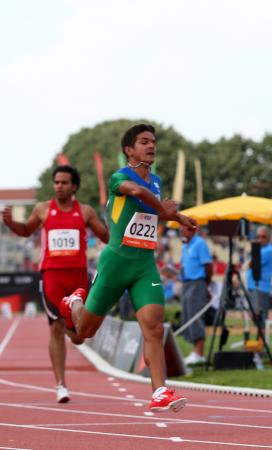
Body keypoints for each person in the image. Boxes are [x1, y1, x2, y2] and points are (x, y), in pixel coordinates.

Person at [59, 123, 197, 413]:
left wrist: (180, 219)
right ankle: (75, 302)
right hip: (116, 262)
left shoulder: (156, 181)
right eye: (144, 141)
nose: (151, 146)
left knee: (154, 327)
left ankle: (159, 390)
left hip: (144, 265)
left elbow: (153, 212)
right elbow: (137, 192)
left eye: (153, 141)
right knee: (84, 332)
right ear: (128, 149)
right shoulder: (119, 177)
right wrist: (164, 209)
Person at [2, 165, 109, 403]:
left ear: (74, 187)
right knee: (55, 328)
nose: (59, 186)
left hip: (78, 278)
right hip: (52, 276)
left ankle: (74, 325)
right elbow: (25, 231)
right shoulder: (42, 209)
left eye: (64, 182)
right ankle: (61, 385)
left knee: (79, 336)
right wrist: (11, 223)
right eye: (56, 182)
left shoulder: (85, 212)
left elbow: (106, 237)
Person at [179, 224, 212, 365]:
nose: (181, 230)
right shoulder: (184, 246)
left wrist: (205, 284)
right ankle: (195, 350)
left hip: (197, 282)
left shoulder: (200, 243)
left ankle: (199, 352)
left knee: (195, 315)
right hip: (186, 283)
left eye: (184, 228)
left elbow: (208, 266)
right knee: (187, 315)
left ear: (192, 229)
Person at [246, 226, 272, 322]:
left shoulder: (268, 250)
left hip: (260, 288)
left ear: (269, 238)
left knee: (259, 317)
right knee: (255, 317)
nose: (260, 239)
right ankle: (259, 336)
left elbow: (250, 264)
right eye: (258, 236)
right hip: (255, 287)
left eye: (263, 237)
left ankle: (261, 336)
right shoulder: (261, 249)